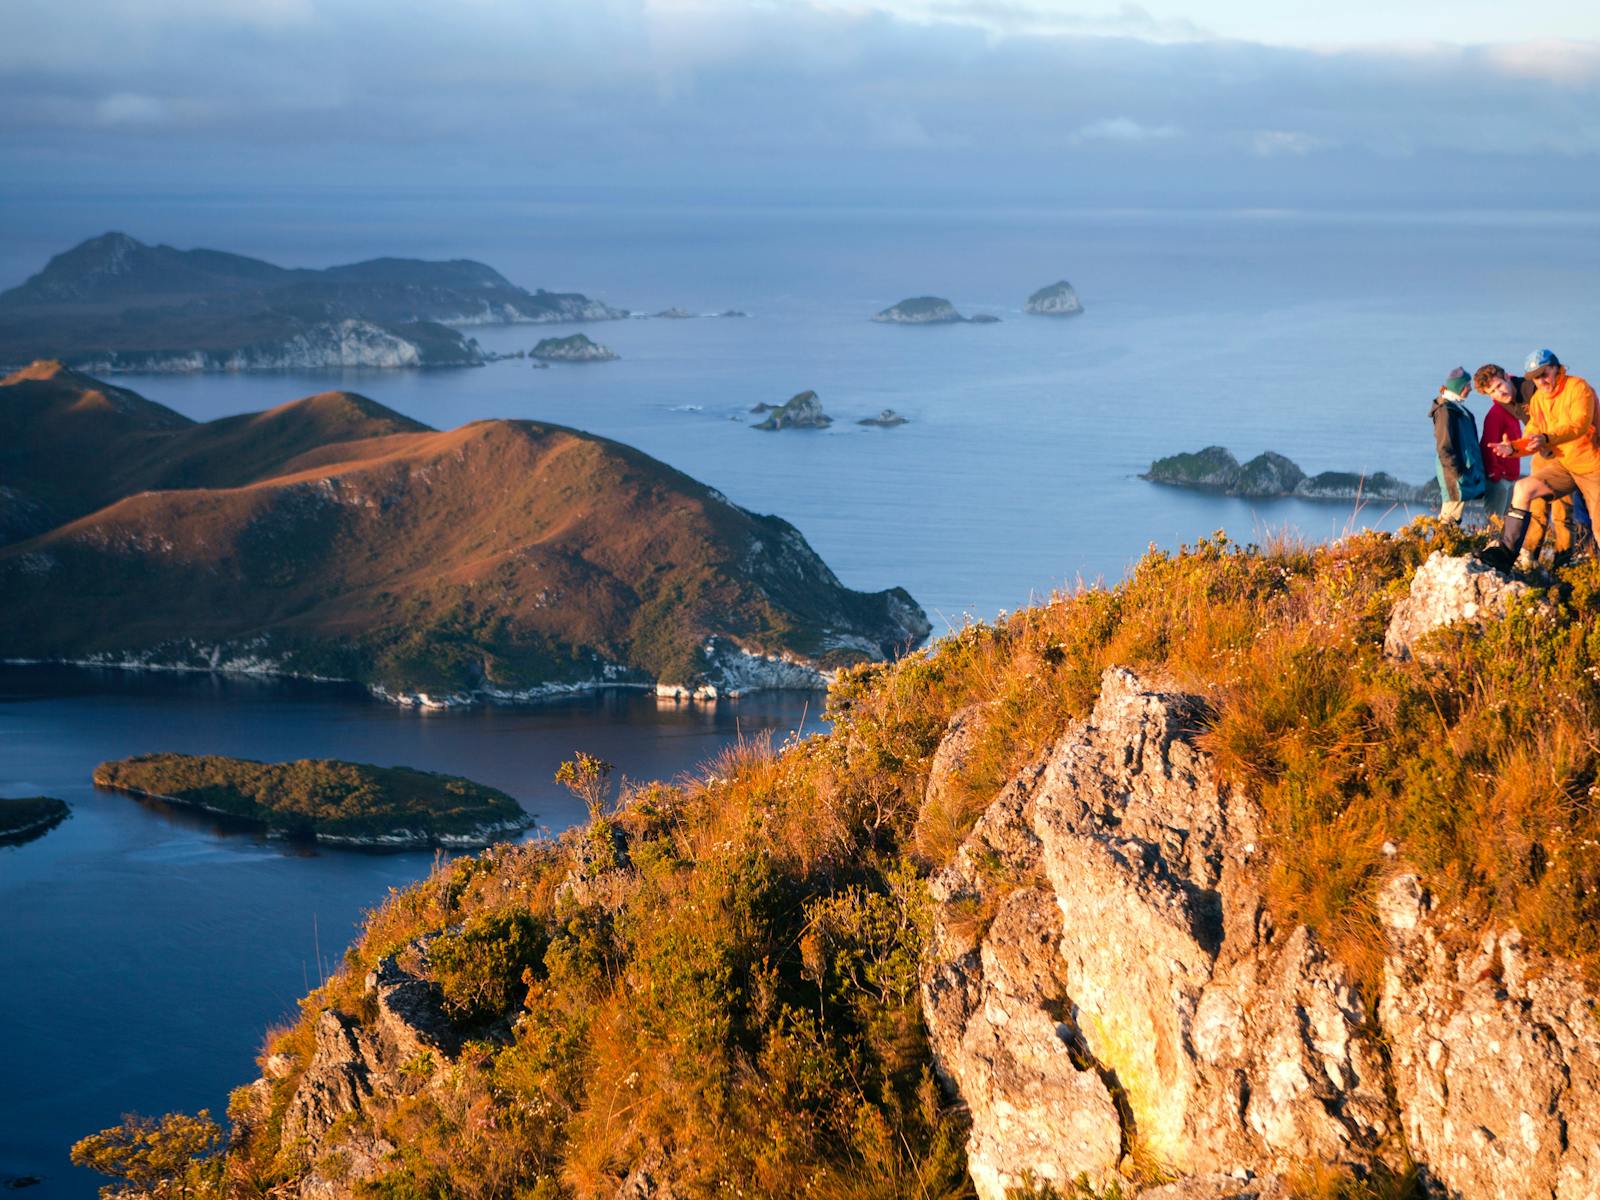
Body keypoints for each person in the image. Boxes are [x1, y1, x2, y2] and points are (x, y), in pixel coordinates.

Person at [1476, 349, 1600, 571]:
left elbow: (1578, 425)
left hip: (1591, 464)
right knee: (1524, 489)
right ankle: (1507, 554)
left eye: (1545, 373)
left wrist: (1545, 439)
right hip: (1559, 461)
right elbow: (1531, 434)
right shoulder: (1538, 399)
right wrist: (1512, 448)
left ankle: (1565, 563)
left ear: (1556, 368)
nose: (1541, 380)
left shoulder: (1578, 388)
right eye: (1535, 376)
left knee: (1589, 524)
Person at [1474, 363, 1533, 519]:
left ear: (1507, 377)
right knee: (1494, 522)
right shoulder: (1496, 413)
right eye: (1493, 391)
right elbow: (1487, 445)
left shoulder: (1513, 409)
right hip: (1499, 480)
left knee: (1507, 522)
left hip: (1510, 478)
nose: (1499, 392)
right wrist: (1495, 474)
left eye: (1499, 385)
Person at [1431, 367, 1485, 524]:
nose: (1470, 388)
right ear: (1458, 386)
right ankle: (1441, 547)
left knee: (1454, 514)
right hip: (1454, 471)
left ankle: (1443, 546)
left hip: (1461, 469)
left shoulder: (1457, 408)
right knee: (1450, 516)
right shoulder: (1445, 410)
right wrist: (1457, 472)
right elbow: (1444, 446)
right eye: (1467, 384)